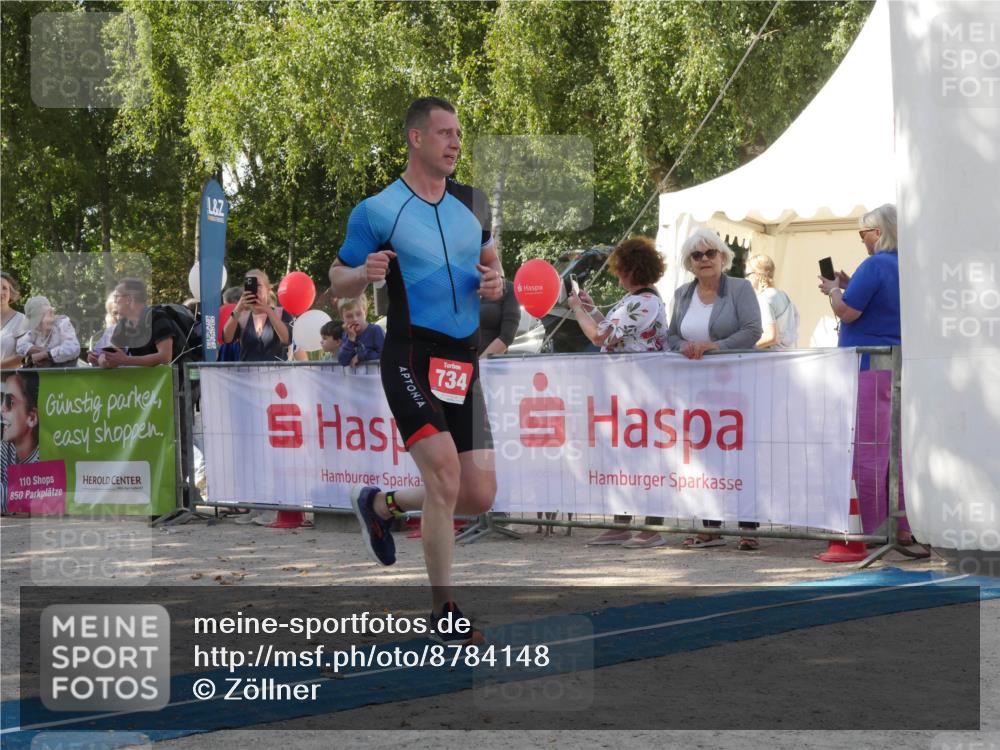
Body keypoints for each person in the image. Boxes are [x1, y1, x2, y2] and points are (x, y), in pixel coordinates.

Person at [329, 96, 503, 644]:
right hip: (410, 357)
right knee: (445, 476)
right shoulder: (378, 210)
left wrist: (496, 282)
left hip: (463, 360)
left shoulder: (472, 203)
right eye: (445, 133)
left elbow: (492, 264)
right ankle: (443, 611)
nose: (456, 142)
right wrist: (363, 272)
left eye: (459, 133)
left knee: (478, 494)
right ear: (416, 138)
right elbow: (336, 279)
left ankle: (381, 504)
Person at [818, 203, 911, 544]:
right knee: (899, 451)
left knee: (870, 451)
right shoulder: (908, 265)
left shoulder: (874, 264)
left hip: (871, 366)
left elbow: (847, 311)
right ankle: (904, 526)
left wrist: (833, 290)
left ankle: (874, 529)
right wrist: (849, 283)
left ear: (878, 232)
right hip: (900, 362)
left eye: (863, 233)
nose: (861, 240)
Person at [567, 236, 669, 549]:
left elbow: (600, 337)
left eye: (620, 269)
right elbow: (612, 331)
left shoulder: (644, 302)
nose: (618, 275)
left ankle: (652, 527)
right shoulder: (635, 301)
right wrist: (591, 309)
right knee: (623, 458)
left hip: (640, 389)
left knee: (645, 459)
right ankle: (620, 524)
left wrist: (577, 310)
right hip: (625, 388)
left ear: (630, 269)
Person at [667, 227, 762, 550]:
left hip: (738, 383)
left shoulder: (740, 288)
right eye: (697, 255)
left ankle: (749, 527)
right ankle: (710, 526)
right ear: (689, 262)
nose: (704, 259)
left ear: (723, 256)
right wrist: (683, 346)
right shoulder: (682, 294)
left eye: (710, 253)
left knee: (742, 454)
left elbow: (753, 330)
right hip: (697, 388)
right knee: (706, 455)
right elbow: (671, 335)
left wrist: (714, 347)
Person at [97, 279, 174, 368]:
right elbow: (110, 353)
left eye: (117, 296)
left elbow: (165, 357)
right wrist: (103, 360)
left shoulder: (157, 317)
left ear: (129, 299)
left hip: (174, 376)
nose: (114, 301)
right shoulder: (123, 324)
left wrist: (125, 360)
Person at [221, 270, 293, 362]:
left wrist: (268, 310)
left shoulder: (281, 312)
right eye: (250, 286)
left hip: (275, 370)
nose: (255, 289)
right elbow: (227, 338)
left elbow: (286, 340)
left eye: (258, 285)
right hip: (247, 370)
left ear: (268, 290)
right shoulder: (242, 316)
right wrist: (238, 308)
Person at [1, 371, 40, 514]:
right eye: (1, 400)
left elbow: (31, 502)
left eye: (10, 402)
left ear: (32, 418)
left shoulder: (44, 457)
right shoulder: (5, 447)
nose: (2, 409)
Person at [745, 254, 798, 349]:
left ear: (757, 275)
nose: (746, 278)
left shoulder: (764, 298)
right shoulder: (783, 295)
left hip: (773, 356)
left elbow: (771, 337)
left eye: (748, 275)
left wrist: (744, 347)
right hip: (789, 354)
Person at [15, 296, 80, 367]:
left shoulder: (62, 323)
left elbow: (73, 348)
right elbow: (20, 345)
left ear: (50, 313)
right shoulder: (35, 329)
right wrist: (38, 352)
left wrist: (46, 355)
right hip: (42, 372)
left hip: (65, 371)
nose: (37, 324)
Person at [337, 294, 384, 367]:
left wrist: (360, 356)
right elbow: (343, 361)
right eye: (349, 316)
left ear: (365, 313)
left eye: (359, 314)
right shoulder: (346, 334)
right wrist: (350, 340)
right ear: (342, 319)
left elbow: (385, 354)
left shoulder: (375, 330)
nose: (355, 319)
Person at [477, 278, 520, 358]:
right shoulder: (461, 286)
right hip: (459, 361)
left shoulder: (508, 288)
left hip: (489, 362)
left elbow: (507, 337)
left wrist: (479, 363)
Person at [1, 273, 26, 370]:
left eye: (4, 288)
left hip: (10, 378)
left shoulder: (21, 320)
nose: (0, 292)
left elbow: (25, 357)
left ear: (10, 293)